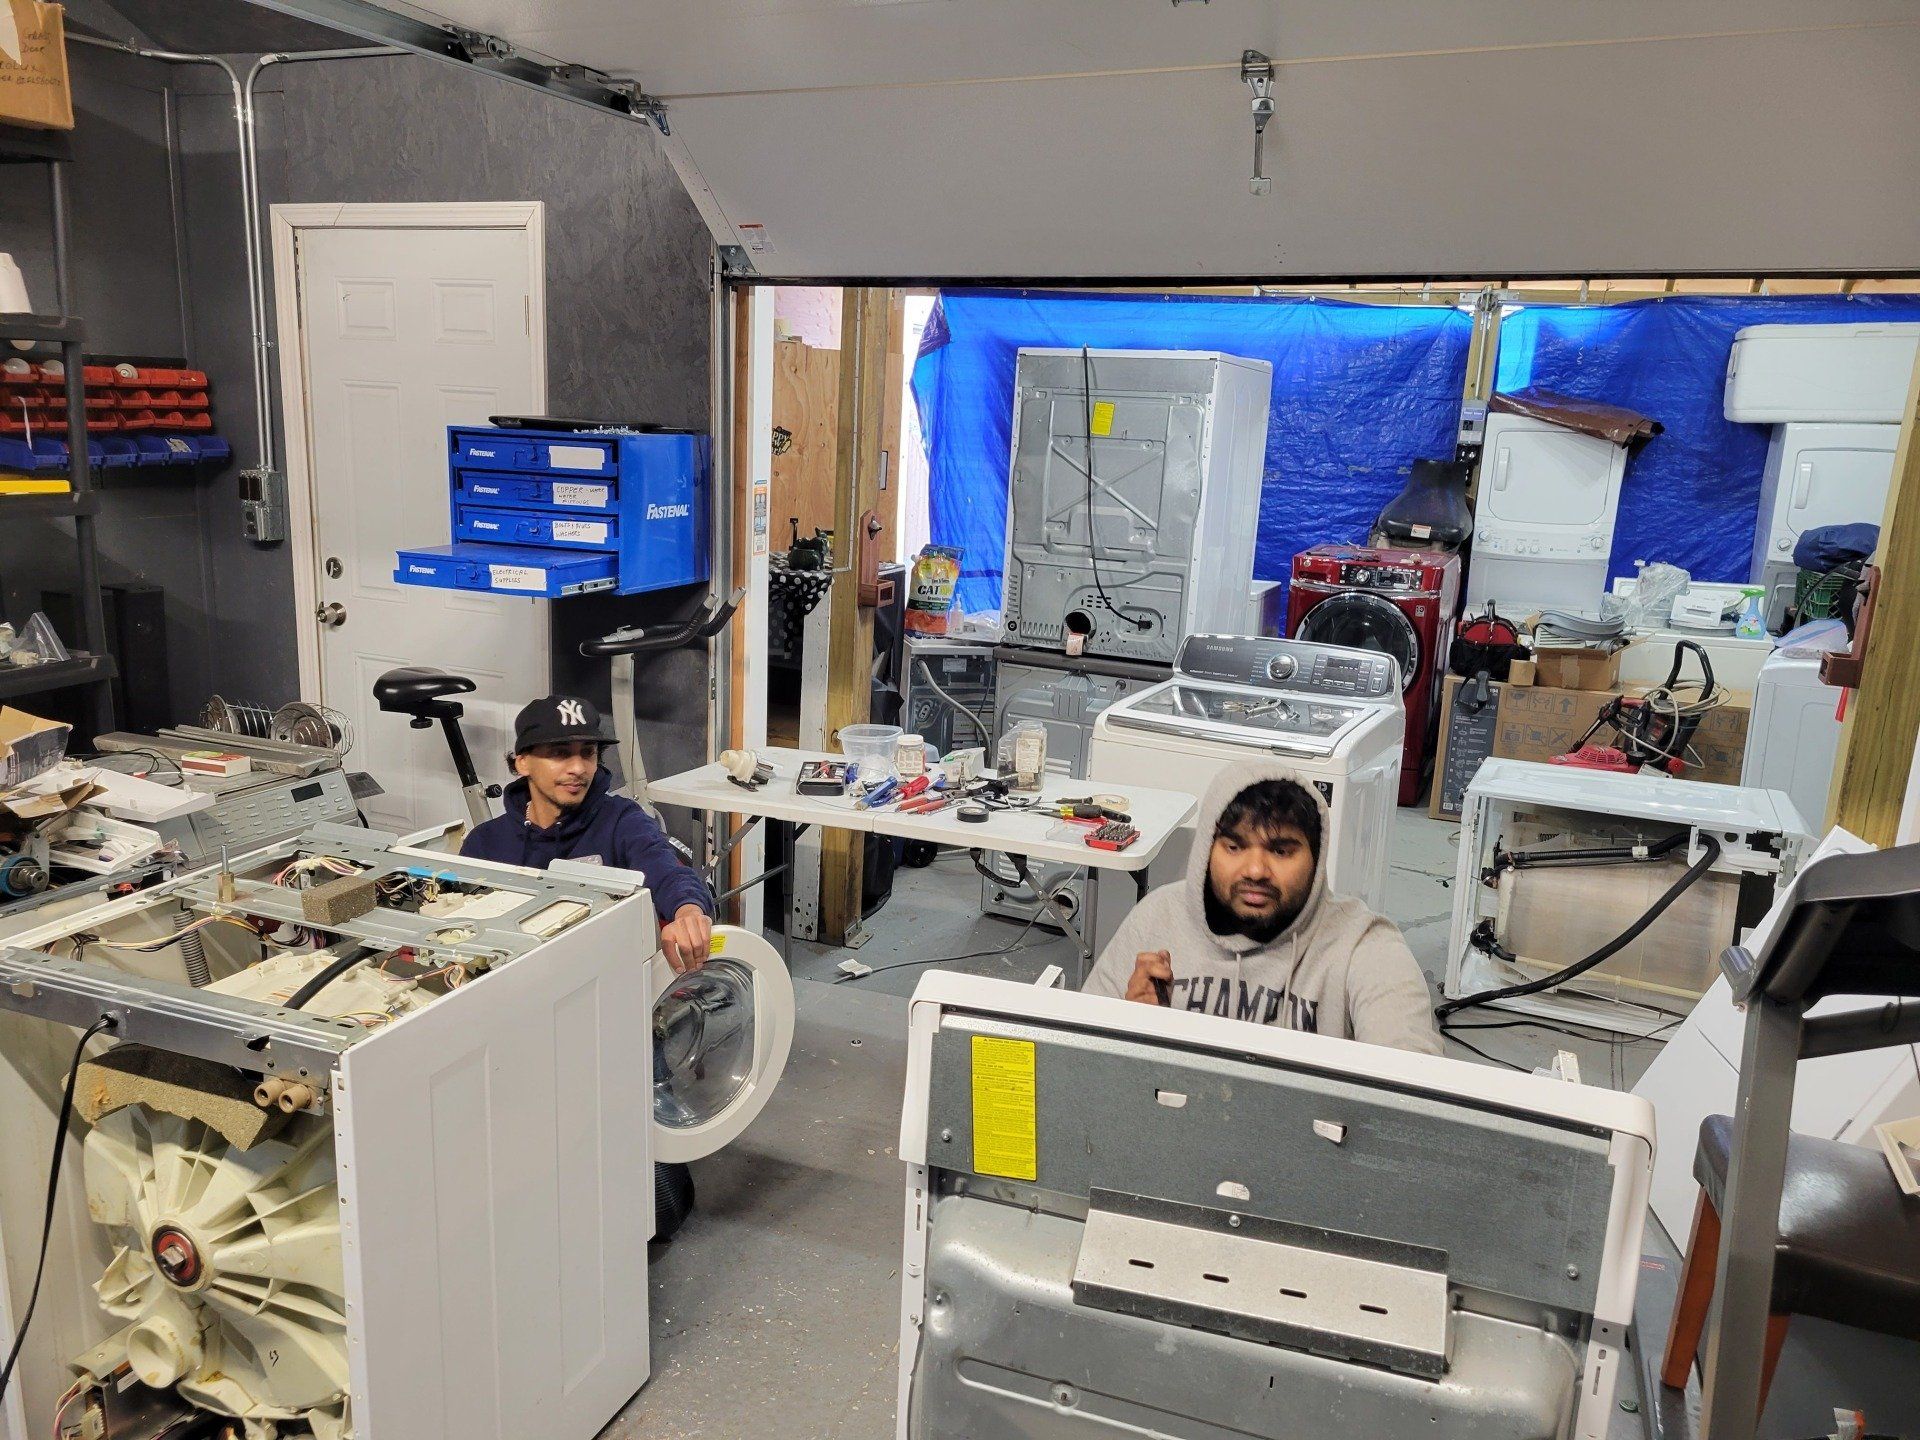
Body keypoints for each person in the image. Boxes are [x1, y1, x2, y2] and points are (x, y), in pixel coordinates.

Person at [1084, 759, 1442, 1055]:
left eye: (1281, 851)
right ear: (1207, 851)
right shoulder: (1158, 918)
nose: (1255, 871)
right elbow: (1082, 1053)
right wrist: (1129, 1031)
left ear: (1315, 860)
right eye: (1234, 847)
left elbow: (1412, 1079)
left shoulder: (1363, 944)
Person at [461, 694, 715, 971]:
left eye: (587, 752)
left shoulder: (621, 820)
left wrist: (689, 911)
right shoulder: (484, 844)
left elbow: (665, 870)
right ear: (522, 762)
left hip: (602, 980)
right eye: (560, 753)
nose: (578, 768)